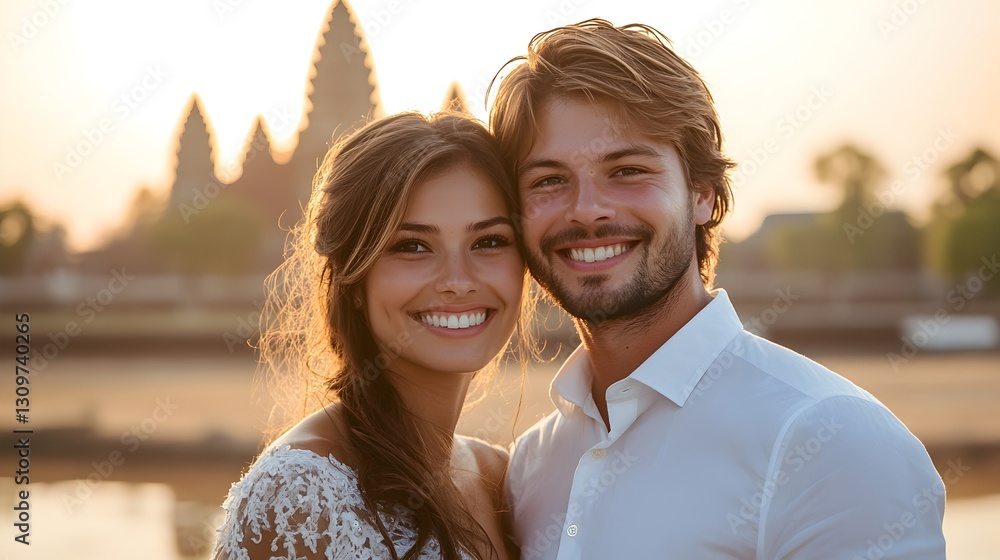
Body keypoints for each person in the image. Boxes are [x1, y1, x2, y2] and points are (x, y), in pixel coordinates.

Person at [489, 19, 946, 559]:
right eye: (548, 180)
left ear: (702, 194)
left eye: (628, 170)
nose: (587, 209)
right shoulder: (529, 465)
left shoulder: (830, 440)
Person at [212, 112, 531, 560]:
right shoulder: (301, 494)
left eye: (489, 241)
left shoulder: (501, 477)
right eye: (412, 246)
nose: (458, 281)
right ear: (352, 278)